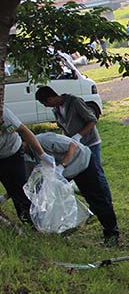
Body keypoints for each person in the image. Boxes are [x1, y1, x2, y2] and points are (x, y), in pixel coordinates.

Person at [34, 86, 117, 244]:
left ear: (50, 98)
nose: (46, 107)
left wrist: (78, 136)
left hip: (87, 144)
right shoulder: (57, 110)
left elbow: (92, 119)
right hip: (72, 151)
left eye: (45, 103)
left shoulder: (74, 102)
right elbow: (65, 132)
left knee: (97, 178)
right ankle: (97, 206)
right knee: (87, 190)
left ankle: (108, 211)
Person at [33, 133, 119, 243]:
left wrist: (62, 166)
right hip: (67, 172)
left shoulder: (44, 140)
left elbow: (73, 145)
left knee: (97, 198)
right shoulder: (28, 153)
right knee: (55, 198)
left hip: (82, 162)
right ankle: (62, 229)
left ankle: (112, 234)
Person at [1, 105, 56, 224]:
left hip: (13, 152)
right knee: (11, 188)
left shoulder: (4, 113)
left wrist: (42, 154)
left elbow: (24, 130)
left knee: (21, 186)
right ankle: (25, 219)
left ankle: (35, 221)